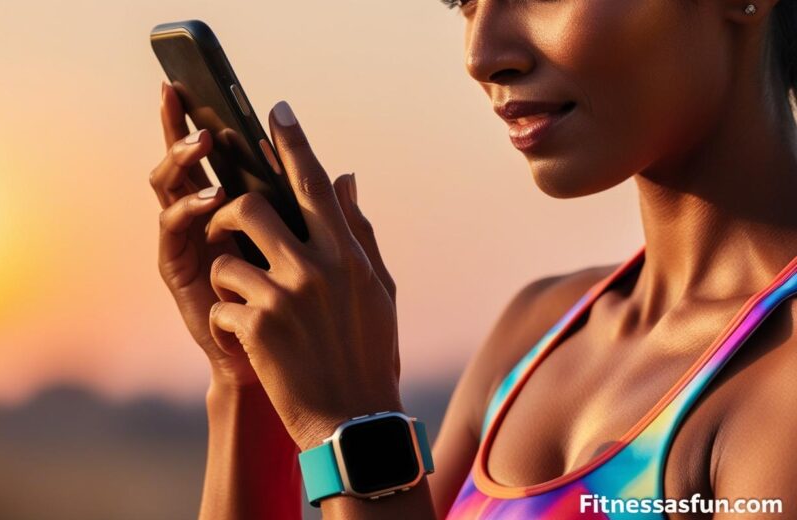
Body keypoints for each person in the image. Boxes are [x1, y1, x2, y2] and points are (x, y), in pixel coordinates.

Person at [149, 1, 797, 518]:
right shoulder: (535, 333)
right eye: (462, 1)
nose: (481, 55)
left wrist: (356, 430)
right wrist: (253, 379)